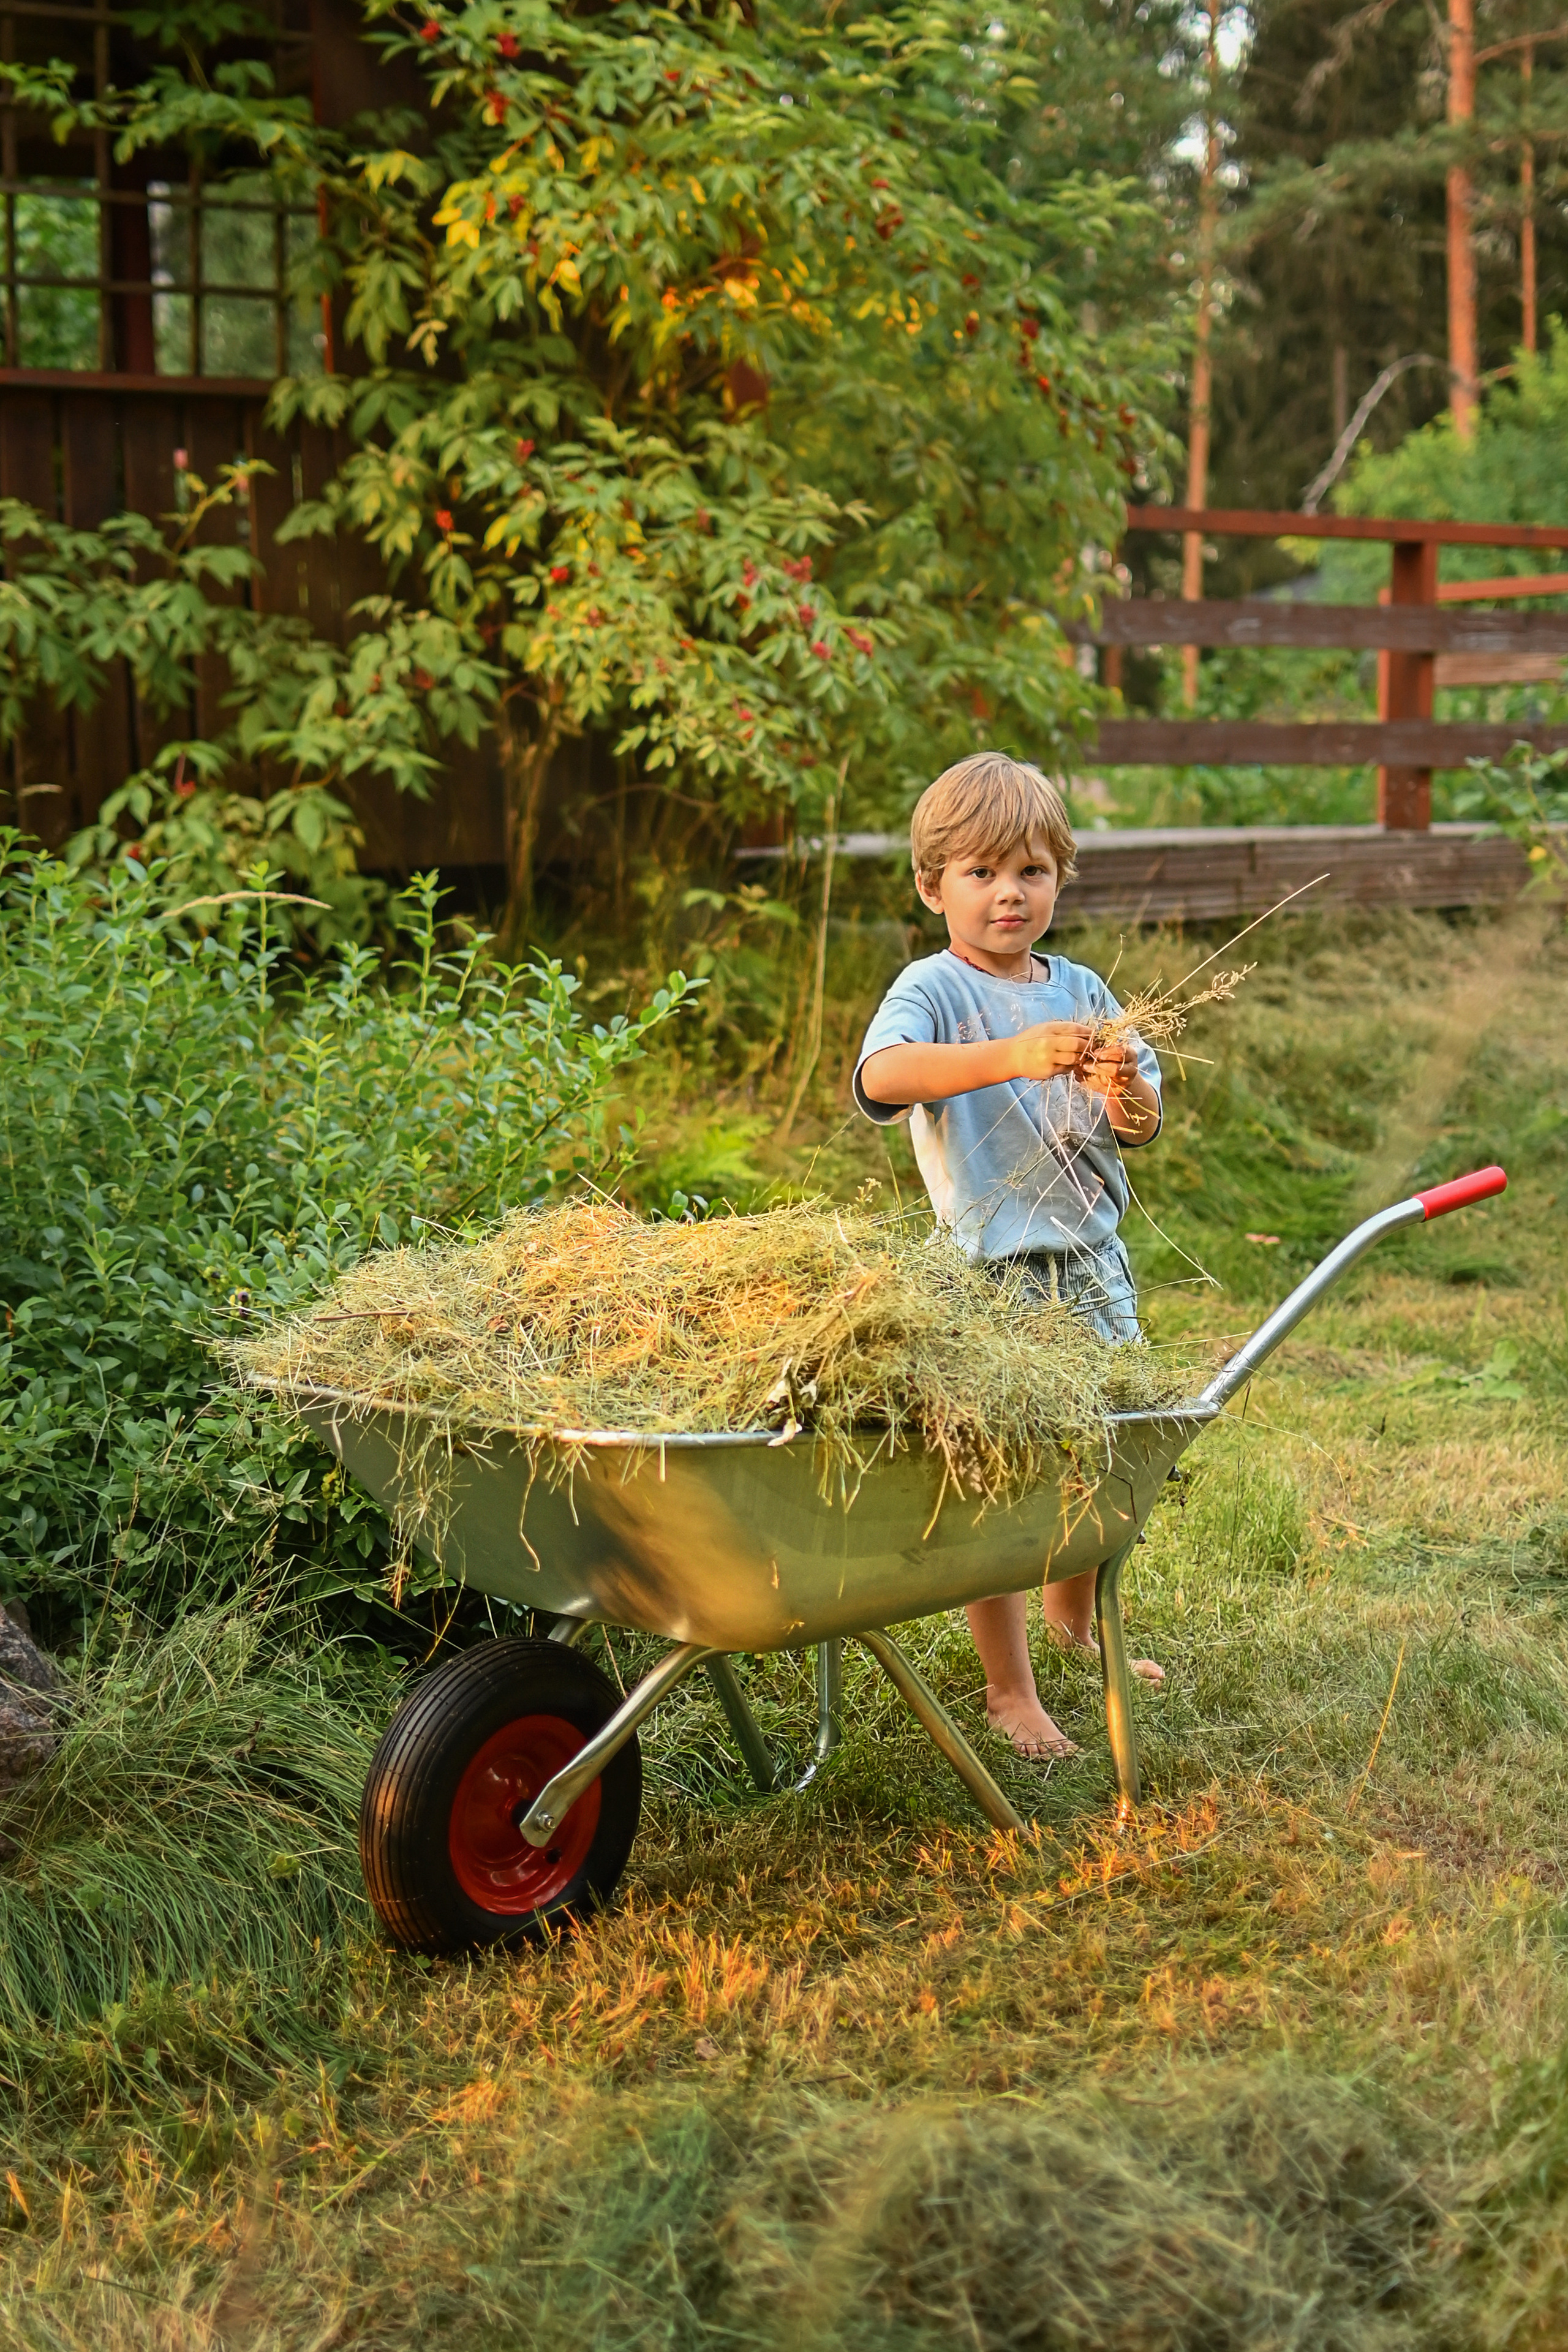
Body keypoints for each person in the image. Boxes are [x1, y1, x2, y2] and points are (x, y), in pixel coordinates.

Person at [852, 751, 1164, 1761]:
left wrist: (1125, 1088)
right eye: (981, 873)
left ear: (1059, 878)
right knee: (1001, 1479)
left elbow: (1140, 1123)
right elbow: (884, 1075)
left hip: (1092, 1267)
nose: (1008, 894)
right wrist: (1012, 1057)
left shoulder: (1083, 990)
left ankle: (1076, 1624)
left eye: (1031, 871)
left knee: (1105, 1454)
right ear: (931, 885)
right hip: (989, 1274)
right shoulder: (935, 989)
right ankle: (1009, 1691)